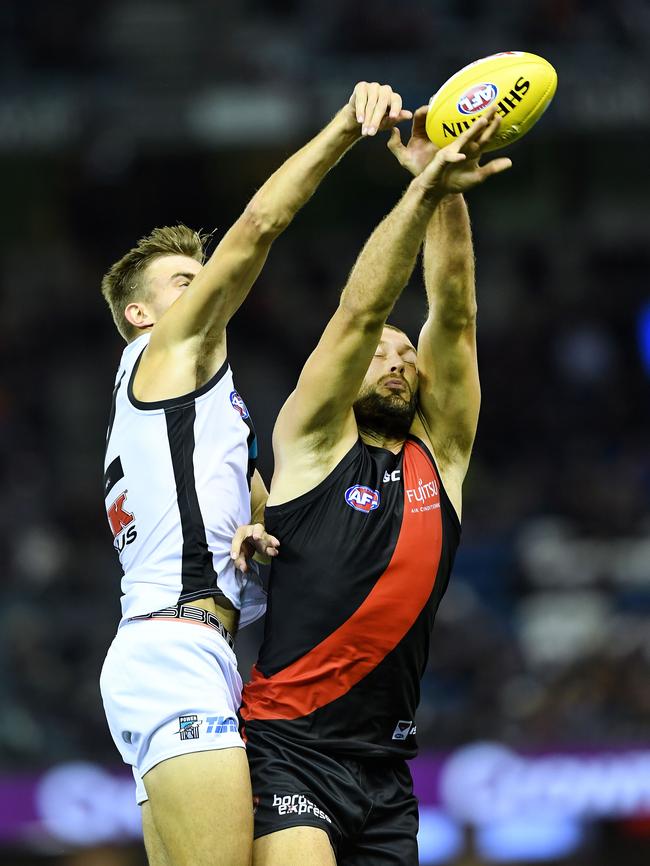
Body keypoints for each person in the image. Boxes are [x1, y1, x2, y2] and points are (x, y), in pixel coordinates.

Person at [98, 82, 412, 866]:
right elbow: (261, 224)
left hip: (188, 650)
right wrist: (346, 126)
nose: (202, 284)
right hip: (174, 648)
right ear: (141, 315)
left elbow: (220, 503)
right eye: (182, 281)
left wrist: (256, 522)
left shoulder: (201, 403)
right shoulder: (163, 355)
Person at [239, 107, 512, 865]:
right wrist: (422, 189)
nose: (396, 359)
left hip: (386, 770)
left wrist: (448, 188)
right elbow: (362, 309)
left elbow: (455, 313)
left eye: (406, 352)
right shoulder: (313, 440)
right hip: (288, 746)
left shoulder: (442, 453)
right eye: (379, 352)